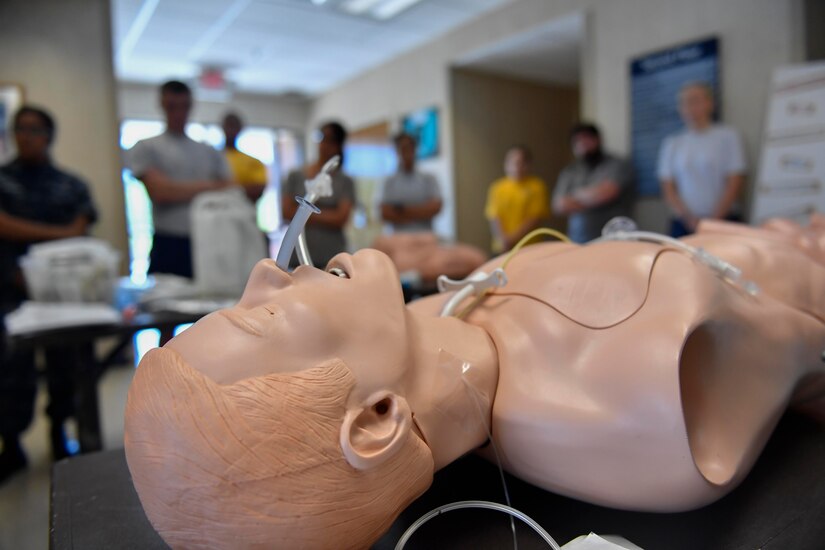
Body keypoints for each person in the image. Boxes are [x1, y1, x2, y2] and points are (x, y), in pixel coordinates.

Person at [124, 217, 825, 549]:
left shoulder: (432, 316)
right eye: (265, 317)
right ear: (374, 421)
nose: (262, 275)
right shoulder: (639, 402)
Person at [0, 106, 98, 483]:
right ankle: (11, 443)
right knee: (11, 369)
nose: (27, 136)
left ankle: (61, 432)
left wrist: (27, 236)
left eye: (35, 129)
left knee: (65, 367)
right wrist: (58, 236)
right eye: (20, 129)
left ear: (49, 135)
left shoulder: (71, 184)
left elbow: (83, 225)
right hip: (11, 289)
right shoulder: (4, 180)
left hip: (62, 294)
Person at [129, 80, 233, 279]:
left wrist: (175, 188)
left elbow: (229, 190)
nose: (178, 113)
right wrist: (210, 187)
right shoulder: (146, 147)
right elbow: (161, 193)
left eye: (183, 106)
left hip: (209, 242)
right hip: (168, 244)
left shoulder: (209, 151)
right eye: (172, 106)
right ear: (162, 105)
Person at [658, 81, 746, 237]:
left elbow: (735, 181)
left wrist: (714, 220)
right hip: (684, 223)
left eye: (695, 100)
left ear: (710, 103)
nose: (690, 107)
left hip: (723, 221)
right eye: (684, 102)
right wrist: (688, 219)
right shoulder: (673, 143)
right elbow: (668, 187)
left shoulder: (727, 137)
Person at [281, 121, 355, 268]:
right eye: (322, 138)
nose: (324, 144)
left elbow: (341, 218)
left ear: (339, 144)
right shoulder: (295, 176)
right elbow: (286, 212)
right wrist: (326, 214)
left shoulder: (345, 181)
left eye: (330, 140)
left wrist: (303, 213)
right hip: (296, 258)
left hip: (331, 257)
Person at [553, 123, 635, 243]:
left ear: (598, 139)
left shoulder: (617, 165)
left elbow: (606, 193)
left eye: (587, 138)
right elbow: (559, 205)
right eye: (577, 141)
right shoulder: (569, 171)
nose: (582, 144)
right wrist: (592, 195)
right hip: (578, 241)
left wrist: (573, 196)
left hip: (614, 240)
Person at [485, 145, 549, 253]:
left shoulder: (536, 186)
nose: (516, 166)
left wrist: (512, 239)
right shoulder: (497, 187)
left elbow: (535, 217)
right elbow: (494, 216)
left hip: (528, 246)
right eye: (512, 162)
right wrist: (503, 240)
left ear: (528, 165)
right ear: (506, 164)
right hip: (502, 247)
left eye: (521, 162)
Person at [378, 133, 442, 233]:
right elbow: (384, 213)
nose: (406, 152)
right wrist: (421, 211)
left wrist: (401, 210)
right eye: (402, 148)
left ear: (415, 149)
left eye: (409, 147)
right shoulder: (389, 181)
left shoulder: (428, 178)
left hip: (425, 237)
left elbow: (435, 208)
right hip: (398, 238)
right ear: (397, 151)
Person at [222, 112, 267, 203]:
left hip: (243, 213)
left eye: (234, 126)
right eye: (228, 126)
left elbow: (258, 190)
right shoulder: (213, 159)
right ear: (222, 127)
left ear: (240, 129)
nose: (230, 130)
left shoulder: (253, 162)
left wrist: (224, 188)